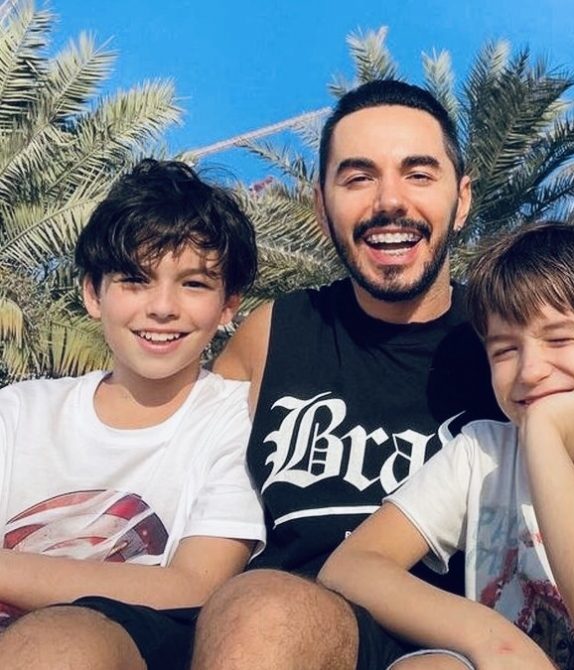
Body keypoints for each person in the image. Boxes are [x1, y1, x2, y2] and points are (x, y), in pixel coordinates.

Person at [189, 79, 501, 670]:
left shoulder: (509, 345)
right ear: (320, 206)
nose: (389, 201)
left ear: (461, 200)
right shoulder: (273, 334)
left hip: (453, 645)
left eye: (419, 174)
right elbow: (176, 465)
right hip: (265, 634)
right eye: (358, 178)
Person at [319, 219, 574, 670]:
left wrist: (545, 441)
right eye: (505, 350)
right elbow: (350, 566)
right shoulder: (481, 455)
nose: (530, 370)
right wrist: (492, 638)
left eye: (560, 338)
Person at [0, 160, 265, 664]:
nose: (162, 307)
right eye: (135, 280)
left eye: (193, 284)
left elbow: (194, 586)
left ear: (228, 306)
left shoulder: (236, 423)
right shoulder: (18, 413)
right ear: (92, 293)